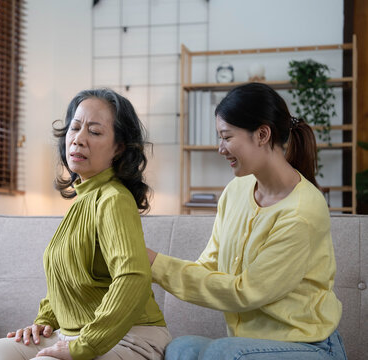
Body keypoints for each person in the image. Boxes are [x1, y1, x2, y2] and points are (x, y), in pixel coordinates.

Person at [147, 83, 347, 360]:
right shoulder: (236, 191)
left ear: (262, 134)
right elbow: (209, 266)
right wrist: (147, 266)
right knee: (181, 349)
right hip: (248, 347)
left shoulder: (302, 211)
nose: (220, 148)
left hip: (310, 347)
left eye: (226, 136)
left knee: (222, 353)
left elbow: (245, 292)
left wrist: (155, 264)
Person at [0, 88, 171, 360]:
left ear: (118, 148)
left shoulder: (114, 199)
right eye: (75, 128)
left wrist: (85, 346)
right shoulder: (82, 201)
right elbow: (65, 279)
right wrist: (44, 321)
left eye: (94, 131)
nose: (78, 139)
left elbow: (133, 278)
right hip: (74, 334)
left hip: (129, 337)